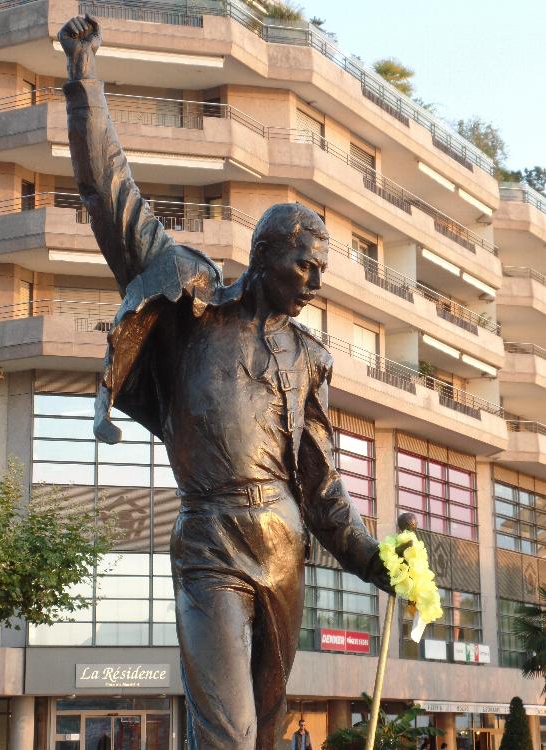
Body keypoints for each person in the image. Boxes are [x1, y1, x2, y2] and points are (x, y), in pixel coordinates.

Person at [58, 14, 394, 750]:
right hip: (209, 534)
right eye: (304, 265)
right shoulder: (191, 309)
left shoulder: (311, 358)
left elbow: (321, 484)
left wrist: (376, 561)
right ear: (264, 251)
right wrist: (83, 77)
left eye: (322, 271)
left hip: (284, 544)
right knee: (230, 733)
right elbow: (111, 197)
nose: (313, 282)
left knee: (266, 733)